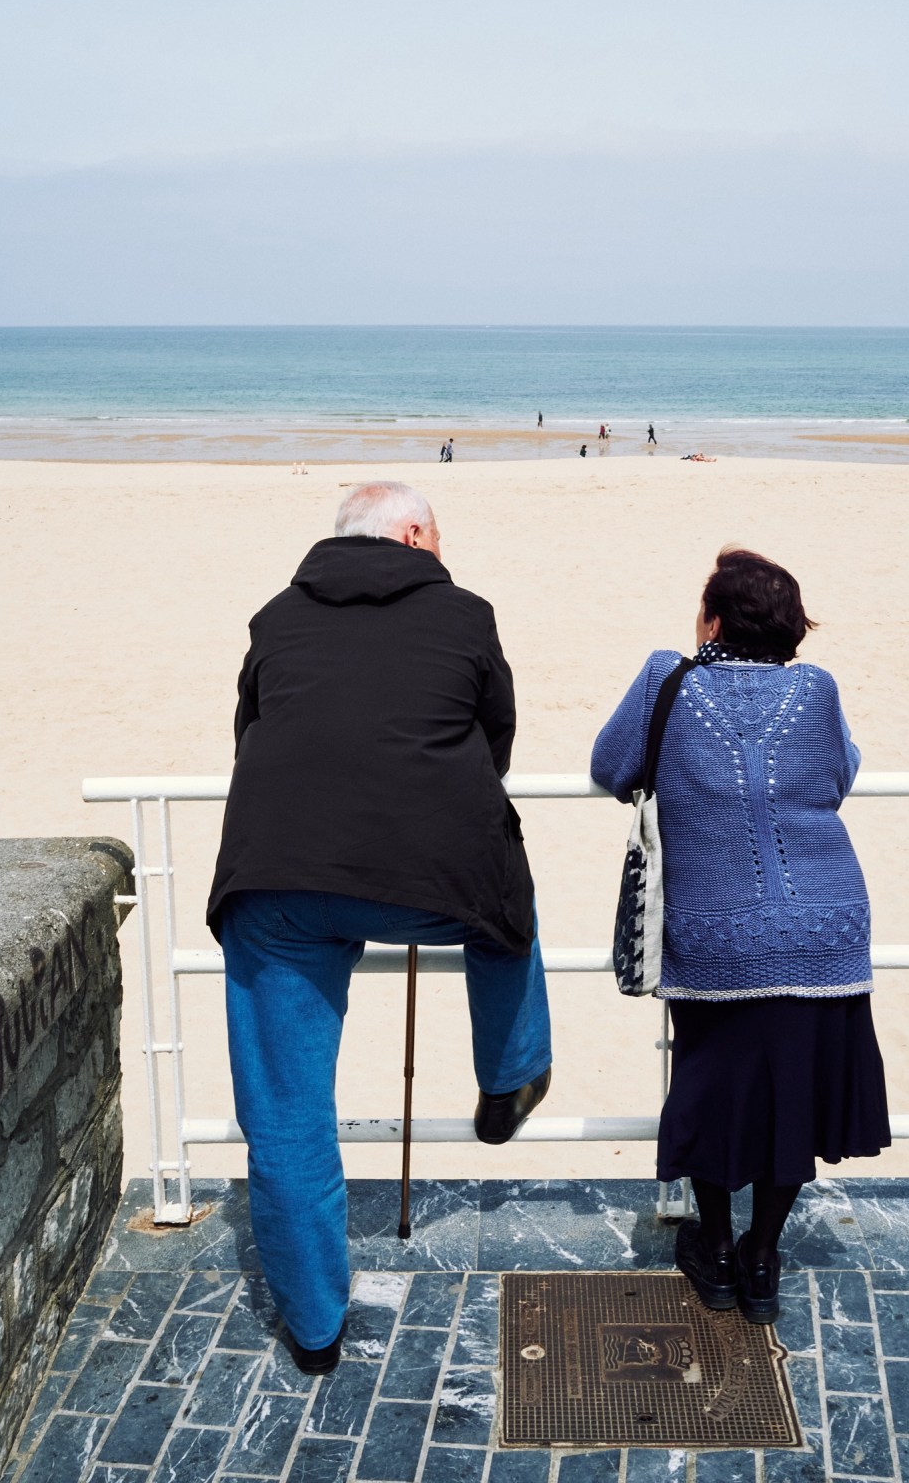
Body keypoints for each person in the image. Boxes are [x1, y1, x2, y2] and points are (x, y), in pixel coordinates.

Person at [208, 481, 552, 1373]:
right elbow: (495, 740)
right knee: (504, 906)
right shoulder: (467, 612)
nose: (444, 550)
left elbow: (249, 730)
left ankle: (315, 1330)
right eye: (439, 535)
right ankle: (508, 1076)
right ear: (408, 534)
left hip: (275, 878)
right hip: (424, 877)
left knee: (285, 1114)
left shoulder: (273, 615)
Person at [591, 548, 889, 1325]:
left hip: (715, 928)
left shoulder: (669, 676)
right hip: (825, 923)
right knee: (793, 1094)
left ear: (714, 620)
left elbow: (609, 764)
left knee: (715, 1087)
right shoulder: (814, 687)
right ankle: (763, 1256)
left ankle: (717, 1251)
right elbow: (838, 775)